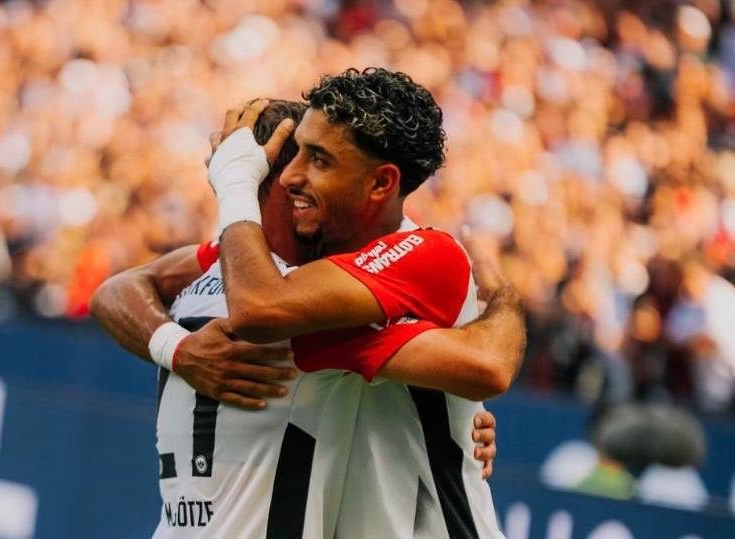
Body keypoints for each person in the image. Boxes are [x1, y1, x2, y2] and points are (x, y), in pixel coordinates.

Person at [93, 99, 520, 537]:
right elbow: (487, 365)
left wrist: (175, 348)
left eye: (319, 162)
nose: (305, 176)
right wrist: (503, 299)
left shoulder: (209, 271)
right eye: (306, 162)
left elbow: (115, 290)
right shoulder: (299, 312)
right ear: (281, 184)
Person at [206, 68, 525, 537]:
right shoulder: (307, 269)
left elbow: (257, 309)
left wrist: (503, 298)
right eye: (297, 153)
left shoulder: (426, 253)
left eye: (318, 159)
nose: (290, 175)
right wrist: (172, 346)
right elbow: (132, 287)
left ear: (381, 184)